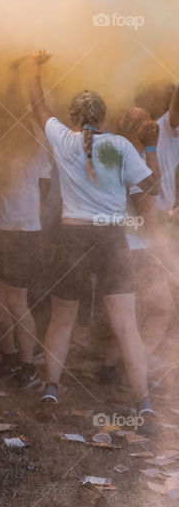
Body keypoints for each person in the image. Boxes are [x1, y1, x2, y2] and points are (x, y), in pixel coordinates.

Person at [26, 51, 159, 432]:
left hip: (73, 238)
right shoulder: (119, 146)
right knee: (126, 325)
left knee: (62, 319)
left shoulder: (63, 139)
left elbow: (36, 103)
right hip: (111, 240)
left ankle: (51, 392)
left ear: (73, 117)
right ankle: (144, 405)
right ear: (102, 117)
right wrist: (149, 146)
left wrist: (35, 67)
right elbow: (152, 187)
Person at [0, 64, 50, 389]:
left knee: (17, 300)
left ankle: (28, 364)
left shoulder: (37, 135)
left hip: (22, 229)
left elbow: (45, 182)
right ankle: (9, 356)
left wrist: (30, 75)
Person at [97, 107, 173, 383]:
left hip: (117, 244)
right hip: (136, 247)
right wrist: (163, 248)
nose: (152, 123)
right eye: (144, 120)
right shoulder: (132, 157)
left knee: (135, 311)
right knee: (162, 308)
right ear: (131, 127)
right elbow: (146, 205)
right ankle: (136, 367)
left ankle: (108, 367)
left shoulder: (111, 153)